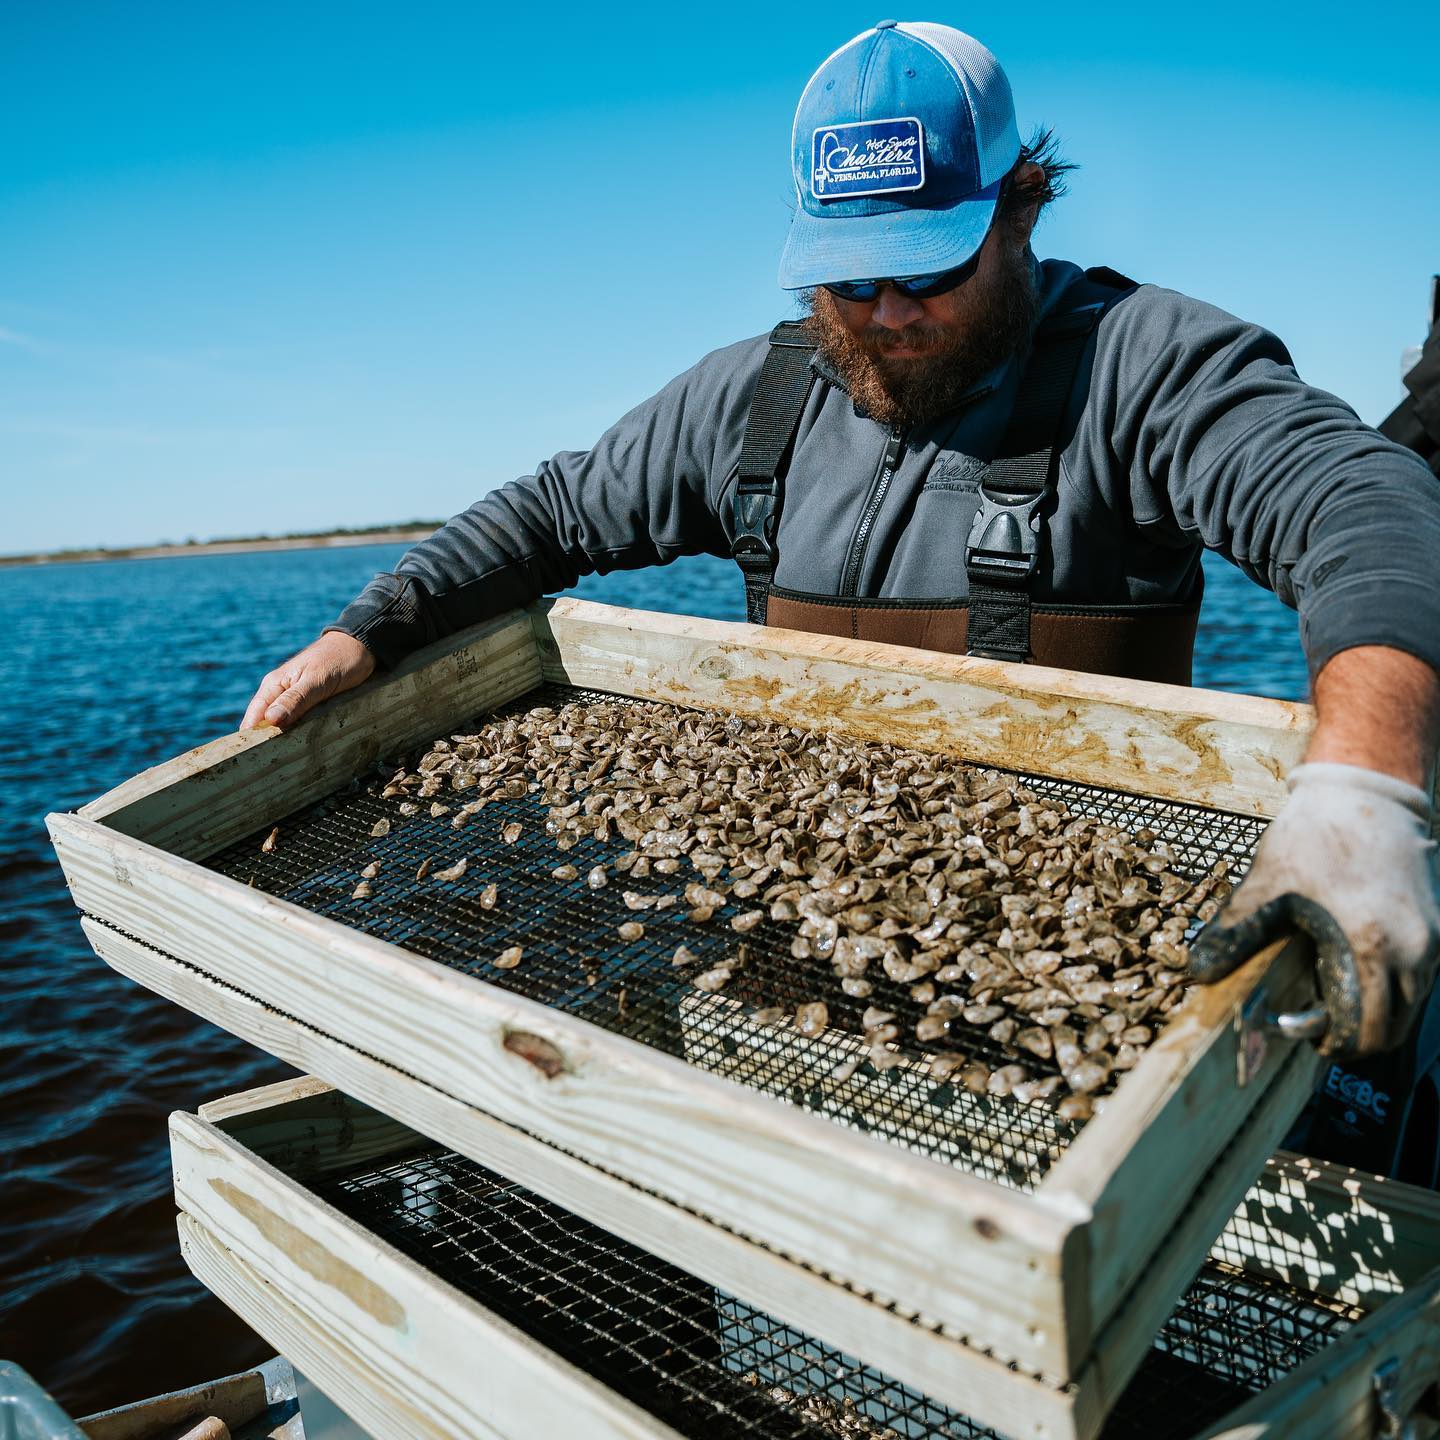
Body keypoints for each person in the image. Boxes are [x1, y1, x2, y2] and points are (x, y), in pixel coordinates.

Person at [242, 22, 1440, 1176]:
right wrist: (373, 629)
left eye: (931, 267)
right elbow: (551, 512)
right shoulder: (755, 400)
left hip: (1081, 973)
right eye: (850, 276)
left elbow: (1366, 503)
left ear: (1021, 209)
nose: (888, 312)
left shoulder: (1141, 364)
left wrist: (1365, 786)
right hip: (807, 954)